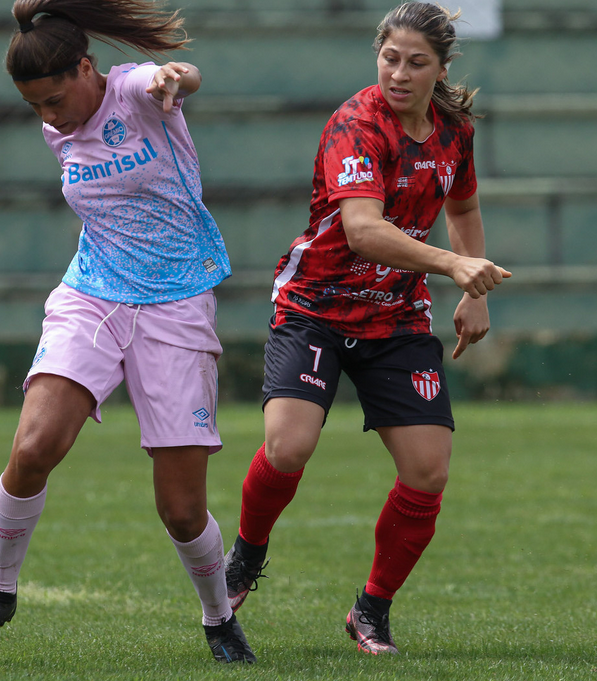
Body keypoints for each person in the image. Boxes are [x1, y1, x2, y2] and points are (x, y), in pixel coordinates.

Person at [0, 0, 255, 664]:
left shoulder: (137, 91)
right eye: (36, 106)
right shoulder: (57, 129)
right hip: (93, 295)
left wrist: (174, 77)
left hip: (176, 302)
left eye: (56, 99)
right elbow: (66, 133)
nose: (50, 116)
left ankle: (218, 617)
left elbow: (179, 75)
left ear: (87, 69)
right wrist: (55, 112)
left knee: (181, 510)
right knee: (33, 446)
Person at [222, 1, 511, 656]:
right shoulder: (355, 124)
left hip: (396, 316)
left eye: (416, 63)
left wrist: (475, 295)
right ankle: (246, 553)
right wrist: (453, 264)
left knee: (428, 472)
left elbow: (464, 206)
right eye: (389, 58)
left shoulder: (454, 131)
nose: (399, 74)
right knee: (288, 447)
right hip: (316, 305)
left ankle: (371, 610)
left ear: (442, 69)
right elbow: (362, 231)